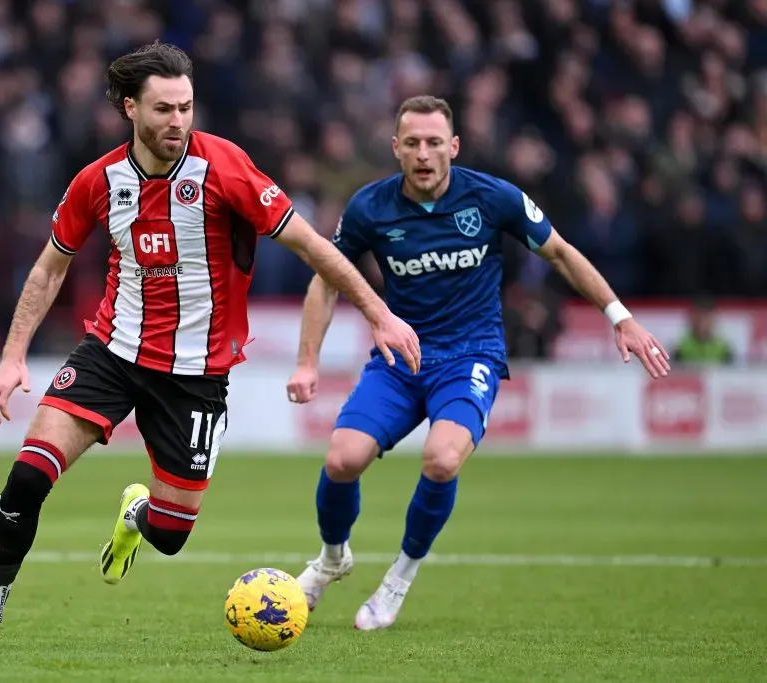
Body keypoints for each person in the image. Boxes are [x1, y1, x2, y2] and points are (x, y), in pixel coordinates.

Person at [0, 42, 420, 650]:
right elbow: (49, 269)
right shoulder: (98, 181)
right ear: (129, 108)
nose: (178, 121)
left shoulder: (226, 169)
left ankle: (137, 514)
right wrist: (12, 357)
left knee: (169, 532)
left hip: (196, 375)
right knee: (28, 476)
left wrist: (379, 314)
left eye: (186, 107)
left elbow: (314, 247)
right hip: (111, 353)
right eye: (164, 109)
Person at [285, 95, 671, 631]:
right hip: (401, 359)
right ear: (396, 148)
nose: (424, 153)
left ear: (454, 147)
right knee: (340, 460)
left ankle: (399, 577)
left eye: (434, 143)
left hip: (470, 355)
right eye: (413, 143)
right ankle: (332, 559)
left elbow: (559, 252)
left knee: (442, 460)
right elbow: (326, 280)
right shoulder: (369, 208)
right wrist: (308, 363)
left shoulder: (493, 198)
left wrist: (619, 316)